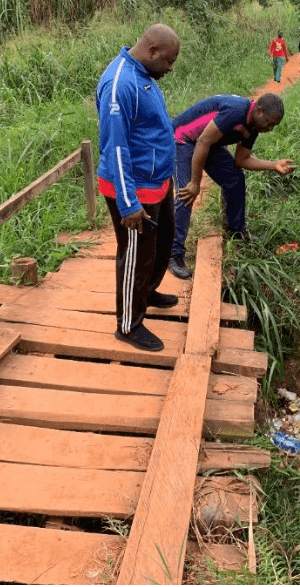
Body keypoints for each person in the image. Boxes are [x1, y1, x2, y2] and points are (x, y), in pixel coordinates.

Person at [95, 23, 180, 352]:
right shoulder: (120, 83)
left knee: (160, 245)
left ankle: (147, 291)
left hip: (156, 180)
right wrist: (128, 203)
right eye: (169, 62)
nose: (170, 69)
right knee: (136, 255)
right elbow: (115, 146)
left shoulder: (144, 74)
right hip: (132, 189)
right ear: (153, 51)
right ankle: (128, 324)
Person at [168, 93, 295, 279]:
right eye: (269, 122)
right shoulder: (236, 110)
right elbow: (202, 141)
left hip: (208, 144)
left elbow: (242, 160)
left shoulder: (253, 127)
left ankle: (236, 229)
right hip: (182, 139)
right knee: (187, 193)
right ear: (258, 111)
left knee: (235, 179)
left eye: (274, 125)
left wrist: (273, 165)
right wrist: (195, 182)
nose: (270, 128)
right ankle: (174, 252)